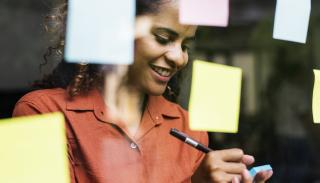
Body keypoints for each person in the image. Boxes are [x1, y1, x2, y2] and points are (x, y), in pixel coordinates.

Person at [13, 0, 273, 182]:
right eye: (163, 38)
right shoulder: (38, 114)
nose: (179, 57)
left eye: (186, 45)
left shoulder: (188, 127)